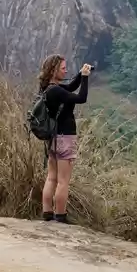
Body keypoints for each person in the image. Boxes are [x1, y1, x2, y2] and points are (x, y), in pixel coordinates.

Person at [36, 54, 91, 223]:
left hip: (53, 138)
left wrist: (80, 74)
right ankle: (60, 216)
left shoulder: (48, 88)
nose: (65, 71)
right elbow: (81, 98)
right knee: (63, 181)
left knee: (51, 177)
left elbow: (70, 86)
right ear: (54, 70)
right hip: (65, 137)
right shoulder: (57, 91)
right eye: (63, 68)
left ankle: (47, 212)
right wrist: (85, 78)